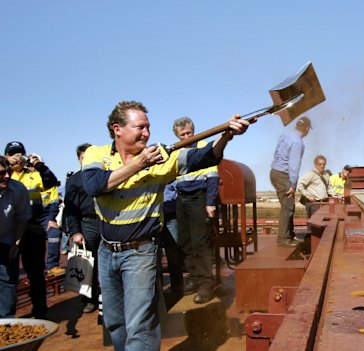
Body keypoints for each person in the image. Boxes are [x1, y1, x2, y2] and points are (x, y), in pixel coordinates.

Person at [81, 101, 249, 350]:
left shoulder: (161, 159)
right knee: (115, 322)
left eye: (148, 127)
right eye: (140, 127)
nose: (147, 133)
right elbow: (94, 186)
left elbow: (204, 156)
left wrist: (226, 137)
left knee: (140, 325)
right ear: (118, 129)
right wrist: (139, 164)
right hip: (107, 252)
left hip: (140, 253)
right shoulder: (97, 154)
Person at [5, 141, 57, 319]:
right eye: (13, 154)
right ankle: (7, 315)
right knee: (9, 274)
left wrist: (39, 165)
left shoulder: (34, 175)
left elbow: (51, 183)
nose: (18, 157)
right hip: (9, 230)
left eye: (20, 153)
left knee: (36, 272)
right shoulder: (5, 174)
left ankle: (40, 310)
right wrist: (7, 165)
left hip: (32, 228)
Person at [171, 117, 220, 304]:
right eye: (182, 135)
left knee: (200, 243)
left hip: (199, 198)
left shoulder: (203, 147)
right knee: (184, 242)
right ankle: (194, 276)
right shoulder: (177, 150)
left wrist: (210, 203)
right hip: (181, 200)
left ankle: (206, 285)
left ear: (194, 131)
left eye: (188, 133)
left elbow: (213, 178)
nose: (186, 137)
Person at [64, 143, 101, 314]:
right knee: (87, 265)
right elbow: (70, 209)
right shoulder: (74, 180)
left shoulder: (103, 175)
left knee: (107, 264)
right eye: (83, 157)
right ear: (78, 159)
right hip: (87, 224)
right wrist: (75, 232)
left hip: (106, 223)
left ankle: (107, 298)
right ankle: (89, 299)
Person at [270, 116, 312, 247]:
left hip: (274, 172)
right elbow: (294, 165)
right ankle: (283, 239)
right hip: (284, 175)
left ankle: (290, 235)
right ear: (306, 129)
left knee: (287, 205)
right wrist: (293, 184)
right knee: (288, 207)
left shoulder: (285, 135)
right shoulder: (298, 142)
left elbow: (276, 153)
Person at [0, 156, 30, 318]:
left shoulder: (17, 190)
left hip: (6, 240)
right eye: (1, 173)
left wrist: (16, 243)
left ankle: (5, 323)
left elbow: (22, 218)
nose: (7, 176)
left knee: (7, 281)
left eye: (8, 172)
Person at [161, 179, 184, 296]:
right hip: (153, 219)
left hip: (170, 217)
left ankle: (177, 287)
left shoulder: (172, 177)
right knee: (152, 255)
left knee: (173, 253)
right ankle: (158, 289)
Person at [297, 155, 331, 221]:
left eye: (323, 164)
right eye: (320, 164)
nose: (322, 166)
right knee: (313, 224)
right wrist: (307, 195)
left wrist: (335, 195)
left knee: (323, 224)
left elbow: (329, 188)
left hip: (323, 203)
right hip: (313, 203)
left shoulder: (326, 175)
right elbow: (300, 184)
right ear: (315, 164)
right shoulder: (311, 174)